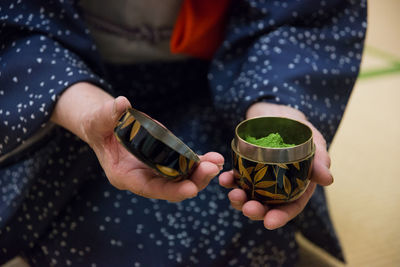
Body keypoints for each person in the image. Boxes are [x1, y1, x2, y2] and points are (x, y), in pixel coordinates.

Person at [0, 0, 366, 266]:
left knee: (245, 236)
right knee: (110, 247)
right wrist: (85, 112)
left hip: (218, 84)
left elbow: (300, 15)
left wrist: (277, 103)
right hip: (70, 91)